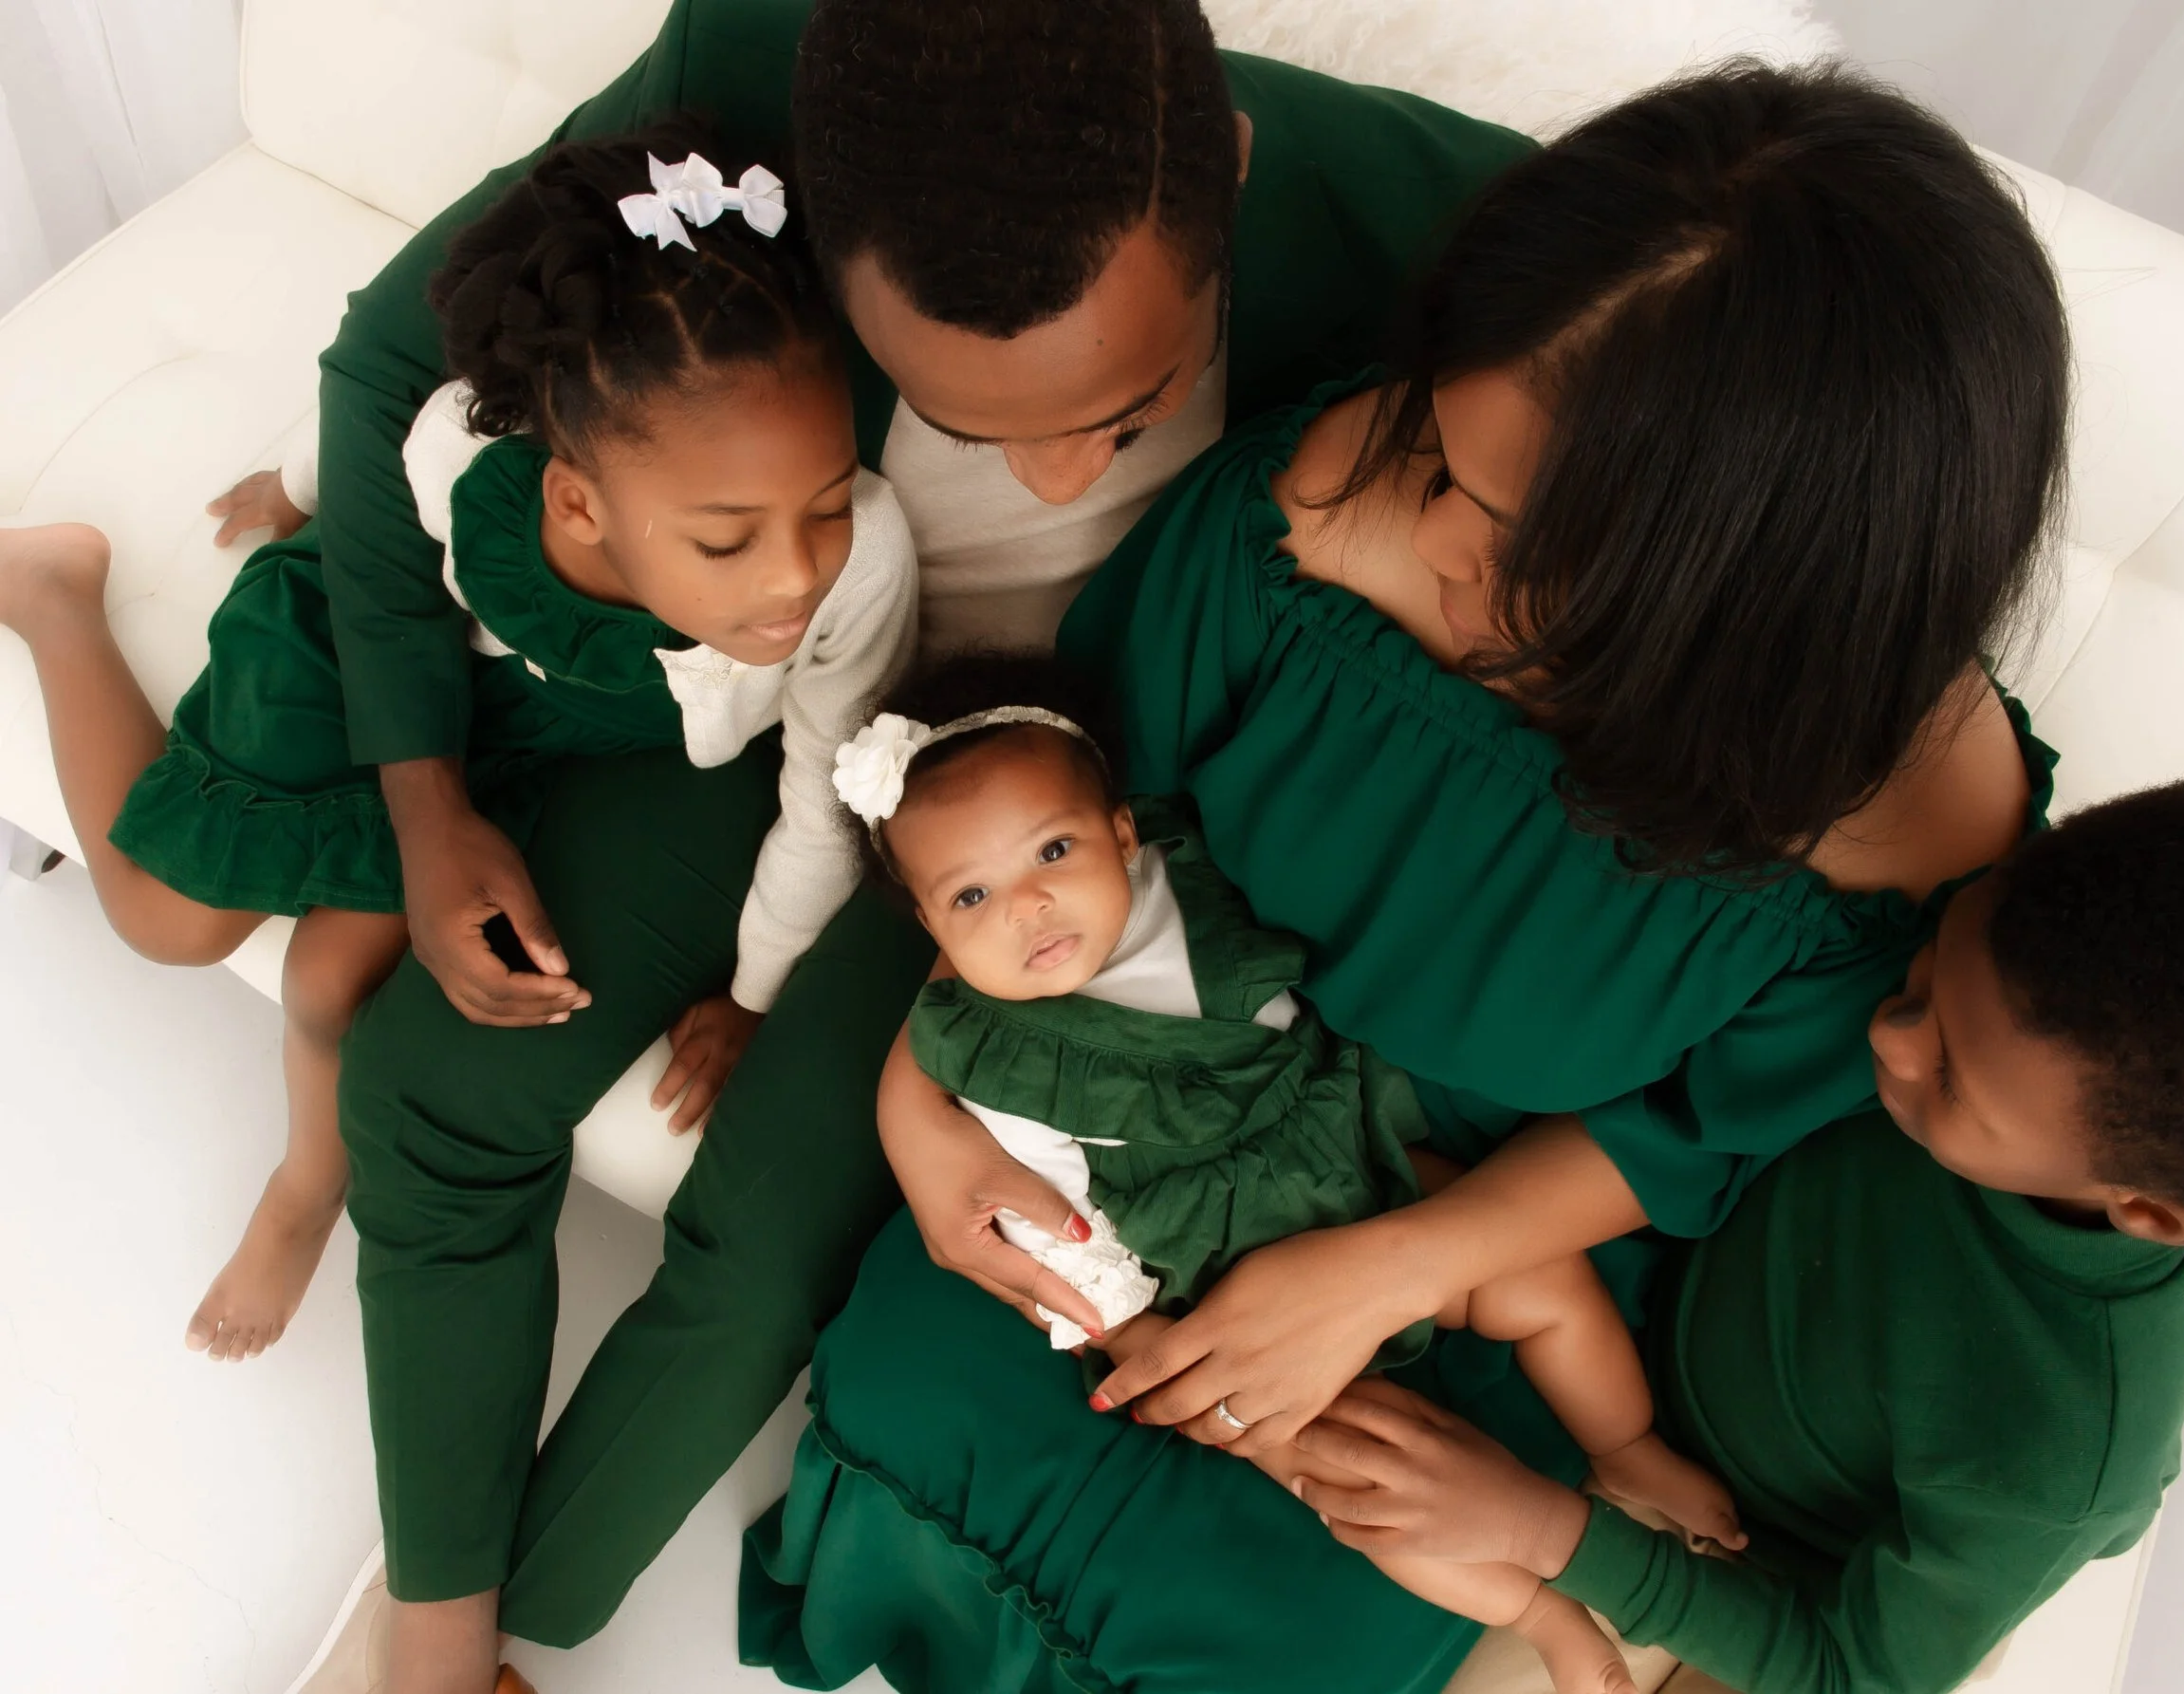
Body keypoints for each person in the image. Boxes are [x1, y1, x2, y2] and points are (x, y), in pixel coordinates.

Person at [739, 61, 2073, 1694]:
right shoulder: (1325, 519)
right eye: (1448, 459)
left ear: (1742, 596)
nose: (1438, 541)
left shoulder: (1907, 818)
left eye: (1517, 531)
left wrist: (1387, 1273)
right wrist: (925, 1121)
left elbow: (1692, 1128)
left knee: (1282, 1608)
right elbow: (1071, 847)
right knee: (917, 1393)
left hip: (1479, 1231)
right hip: (1162, 1103)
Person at [300, 2, 1533, 1687]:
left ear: (1230, 173)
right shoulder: (753, 70)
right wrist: (424, 801)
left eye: (1118, 404)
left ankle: (521, 1617)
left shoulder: (1455, 228)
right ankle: (433, 1644)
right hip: (761, 700)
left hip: (1024, 814)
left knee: (770, 1227)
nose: (1040, 465)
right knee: (429, 1083)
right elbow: (392, 368)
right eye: (962, 410)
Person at [0, 121, 911, 1368]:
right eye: (725, 541)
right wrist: (301, 489)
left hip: (520, 747)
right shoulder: (468, 456)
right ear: (577, 501)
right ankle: (54, 596)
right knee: (165, 917)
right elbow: (386, 452)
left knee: (334, 977)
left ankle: (305, 1182)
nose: (796, 574)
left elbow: (820, 799)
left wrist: (757, 993)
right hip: (377, 651)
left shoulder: (862, 567)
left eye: (823, 505)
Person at [1284, 773, 2184, 1693]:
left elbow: (1849, 1671)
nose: (1891, 1044)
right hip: (1635, 1317)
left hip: (1754, 1569)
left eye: (1950, 1080)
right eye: (1925, 982)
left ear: (2145, 1212)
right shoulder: (2030, 960)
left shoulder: (2057, 1454)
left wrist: (1548, 1536)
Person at [839, 652, 1745, 1693]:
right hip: (1216, 1282)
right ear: (933, 931)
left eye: (1053, 849)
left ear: (1122, 833)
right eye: (972, 893)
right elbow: (1055, 1228)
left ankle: (1626, 1450)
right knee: (1353, 1480)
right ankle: (1546, 1617)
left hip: (1358, 1166)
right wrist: (1151, 1346)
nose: (1030, 906)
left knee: (1544, 1279)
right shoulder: (992, 1059)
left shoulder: (1187, 873)